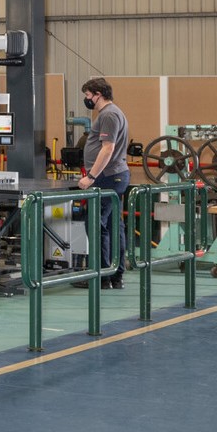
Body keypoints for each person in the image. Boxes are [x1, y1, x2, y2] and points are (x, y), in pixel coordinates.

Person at [76, 78, 131, 289]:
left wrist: (90, 177)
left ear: (98, 94)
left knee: (96, 223)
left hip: (107, 177)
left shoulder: (108, 114)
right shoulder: (112, 113)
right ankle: (113, 276)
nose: (86, 99)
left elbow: (107, 148)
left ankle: (102, 276)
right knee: (112, 225)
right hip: (113, 176)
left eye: (88, 95)